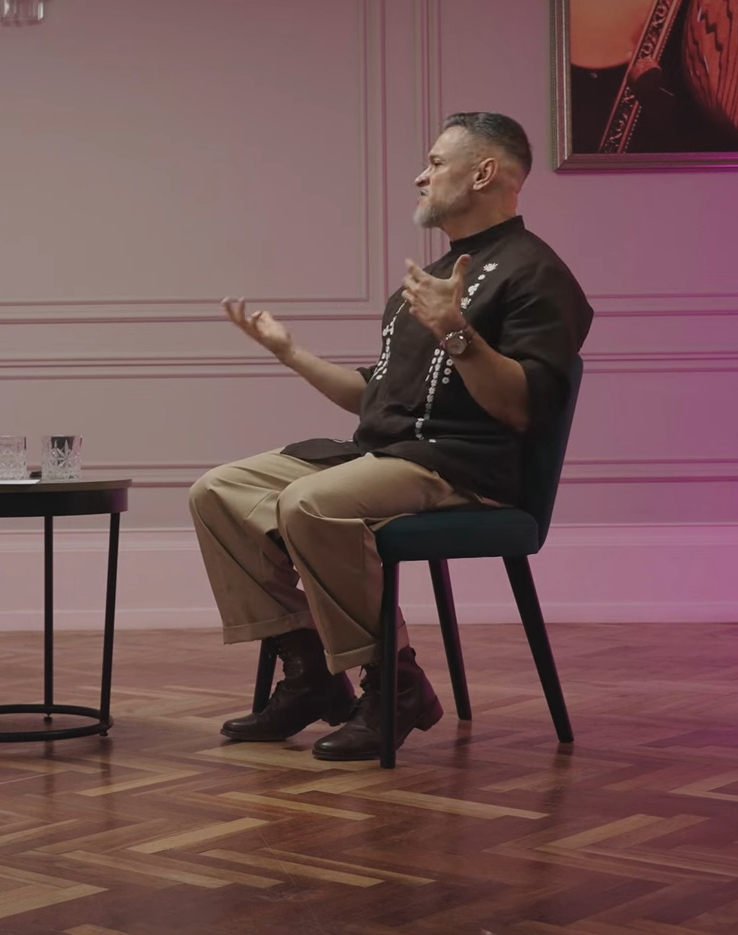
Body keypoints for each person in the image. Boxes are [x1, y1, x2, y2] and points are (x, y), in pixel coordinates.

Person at [190, 112, 591, 762]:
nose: (420, 177)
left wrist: (457, 332)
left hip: (464, 469)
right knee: (217, 492)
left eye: (435, 163)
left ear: (483, 173)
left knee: (311, 503)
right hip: (385, 456)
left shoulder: (536, 274)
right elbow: (372, 397)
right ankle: (312, 675)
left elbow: (523, 409)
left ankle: (395, 684)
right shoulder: (428, 282)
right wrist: (290, 352)